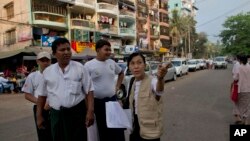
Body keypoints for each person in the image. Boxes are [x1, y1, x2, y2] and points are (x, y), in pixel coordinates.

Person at [35, 38, 94, 141]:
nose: (66, 52)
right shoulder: (48, 72)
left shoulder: (80, 68)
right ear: (54, 53)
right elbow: (42, 96)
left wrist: (90, 111)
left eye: (68, 49)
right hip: (56, 115)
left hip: (77, 114)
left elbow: (89, 90)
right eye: (62, 50)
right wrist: (39, 115)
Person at [84, 39, 125, 141]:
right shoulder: (88, 65)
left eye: (109, 50)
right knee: (103, 130)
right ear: (98, 50)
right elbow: (85, 87)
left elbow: (121, 73)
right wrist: (89, 108)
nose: (109, 52)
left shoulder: (111, 62)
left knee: (117, 129)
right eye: (106, 49)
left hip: (112, 100)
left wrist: (117, 86)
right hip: (98, 103)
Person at [127, 52, 169, 141]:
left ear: (145, 65)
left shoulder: (152, 80)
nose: (136, 66)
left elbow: (159, 91)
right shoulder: (132, 81)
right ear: (129, 67)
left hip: (150, 131)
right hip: (135, 129)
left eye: (139, 62)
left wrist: (160, 78)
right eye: (132, 63)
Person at [22, 51, 52, 141]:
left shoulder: (56, 74)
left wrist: (50, 103)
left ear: (50, 61)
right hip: (39, 109)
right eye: (42, 60)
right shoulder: (32, 76)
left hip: (55, 108)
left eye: (47, 60)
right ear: (37, 62)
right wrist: (41, 103)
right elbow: (27, 95)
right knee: (43, 135)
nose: (45, 63)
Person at [233, 55, 250, 125]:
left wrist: (234, 77)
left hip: (241, 89)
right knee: (247, 105)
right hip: (248, 89)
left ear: (241, 61)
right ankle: (246, 120)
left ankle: (242, 119)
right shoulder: (249, 67)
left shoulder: (239, 68)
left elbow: (235, 78)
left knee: (240, 105)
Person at [231, 55, 241, 124]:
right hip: (244, 86)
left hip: (237, 84)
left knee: (236, 100)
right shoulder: (247, 65)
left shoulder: (236, 65)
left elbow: (234, 75)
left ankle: (238, 116)